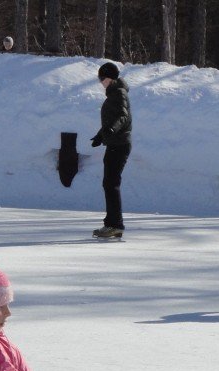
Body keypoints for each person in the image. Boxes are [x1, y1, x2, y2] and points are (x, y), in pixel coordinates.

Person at [90, 62, 132, 240]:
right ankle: (111, 223)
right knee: (109, 184)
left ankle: (115, 225)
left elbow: (123, 116)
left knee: (111, 184)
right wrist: (101, 135)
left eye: (102, 78)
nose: (100, 82)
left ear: (109, 78)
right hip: (114, 143)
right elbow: (112, 119)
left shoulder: (119, 92)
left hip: (119, 144)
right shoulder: (114, 93)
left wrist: (112, 130)